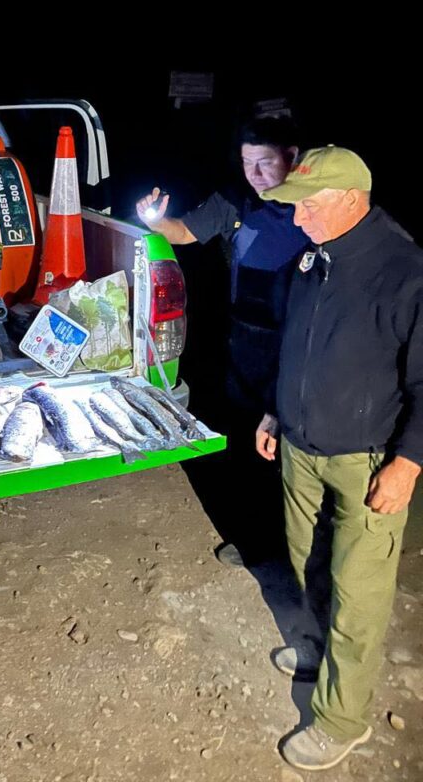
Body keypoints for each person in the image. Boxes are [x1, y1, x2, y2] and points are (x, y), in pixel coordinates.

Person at [254, 145, 422, 772]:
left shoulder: (405, 271)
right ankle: (317, 648)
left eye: (308, 206)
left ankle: (341, 719)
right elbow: (295, 345)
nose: (297, 218)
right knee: (308, 560)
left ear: (353, 199)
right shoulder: (312, 258)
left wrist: (407, 464)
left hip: (368, 459)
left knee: (360, 592)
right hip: (300, 445)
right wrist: (275, 411)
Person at [136, 116, 308, 564]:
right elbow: (184, 232)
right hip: (246, 340)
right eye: (248, 163)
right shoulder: (236, 199)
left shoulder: (313, 207)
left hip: (299, 341)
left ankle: (303, 546)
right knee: (248, 441)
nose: (255, 175)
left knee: (296, 446)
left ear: (292, 157)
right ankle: (260, 541)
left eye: (265, 162)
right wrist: (154, 219)